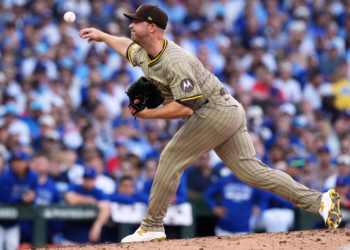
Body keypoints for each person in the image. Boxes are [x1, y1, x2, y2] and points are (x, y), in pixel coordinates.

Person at [79, 3, 341, 242]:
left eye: (136, 21)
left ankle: (152, 226)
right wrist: (102, 36)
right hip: (227, 109)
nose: (131, 25)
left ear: (152, 28)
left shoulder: (174, 61)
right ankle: (320, 201)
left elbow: (185, 108)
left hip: (213, 109)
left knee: (170, 157)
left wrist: (148, 114)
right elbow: (125, 46)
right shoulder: (144, 51)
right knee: (251, 172)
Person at [62, 167, 110, 244]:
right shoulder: (75, 187)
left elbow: (106, 207)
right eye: (86, 178)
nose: (88, 181)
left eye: (90, 178)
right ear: (82, 178)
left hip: (87, 238)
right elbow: (70, 198)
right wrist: (91, 201)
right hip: (69, 236)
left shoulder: (98, 192)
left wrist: (96, 228)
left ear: (95, 179)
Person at [0, 150, 37, 250]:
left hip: (15, 221)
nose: (17, 164)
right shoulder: (4, 177)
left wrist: (31, 198)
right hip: (1, 219)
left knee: (12, 246)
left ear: (26, 162)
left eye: (20, 161)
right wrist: (22, 199)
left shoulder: (33, 177)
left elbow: (35, 195)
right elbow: (5, 199)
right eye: (14, 161)